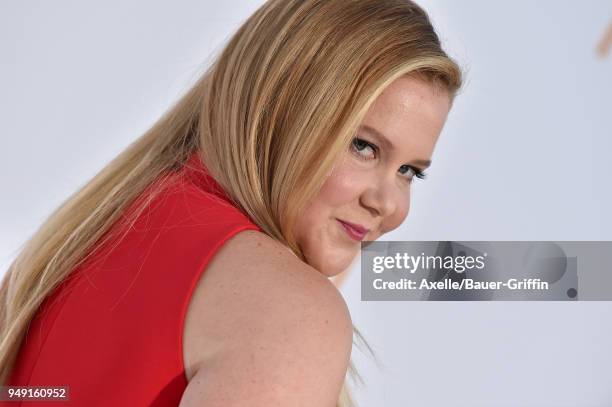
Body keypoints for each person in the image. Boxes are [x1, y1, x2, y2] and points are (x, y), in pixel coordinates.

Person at [0, 0, 462, 405]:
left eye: (410, 172)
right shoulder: (288, 312)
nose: (388, 204)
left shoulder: (75, 243)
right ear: (281, 113)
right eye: (364, 146)